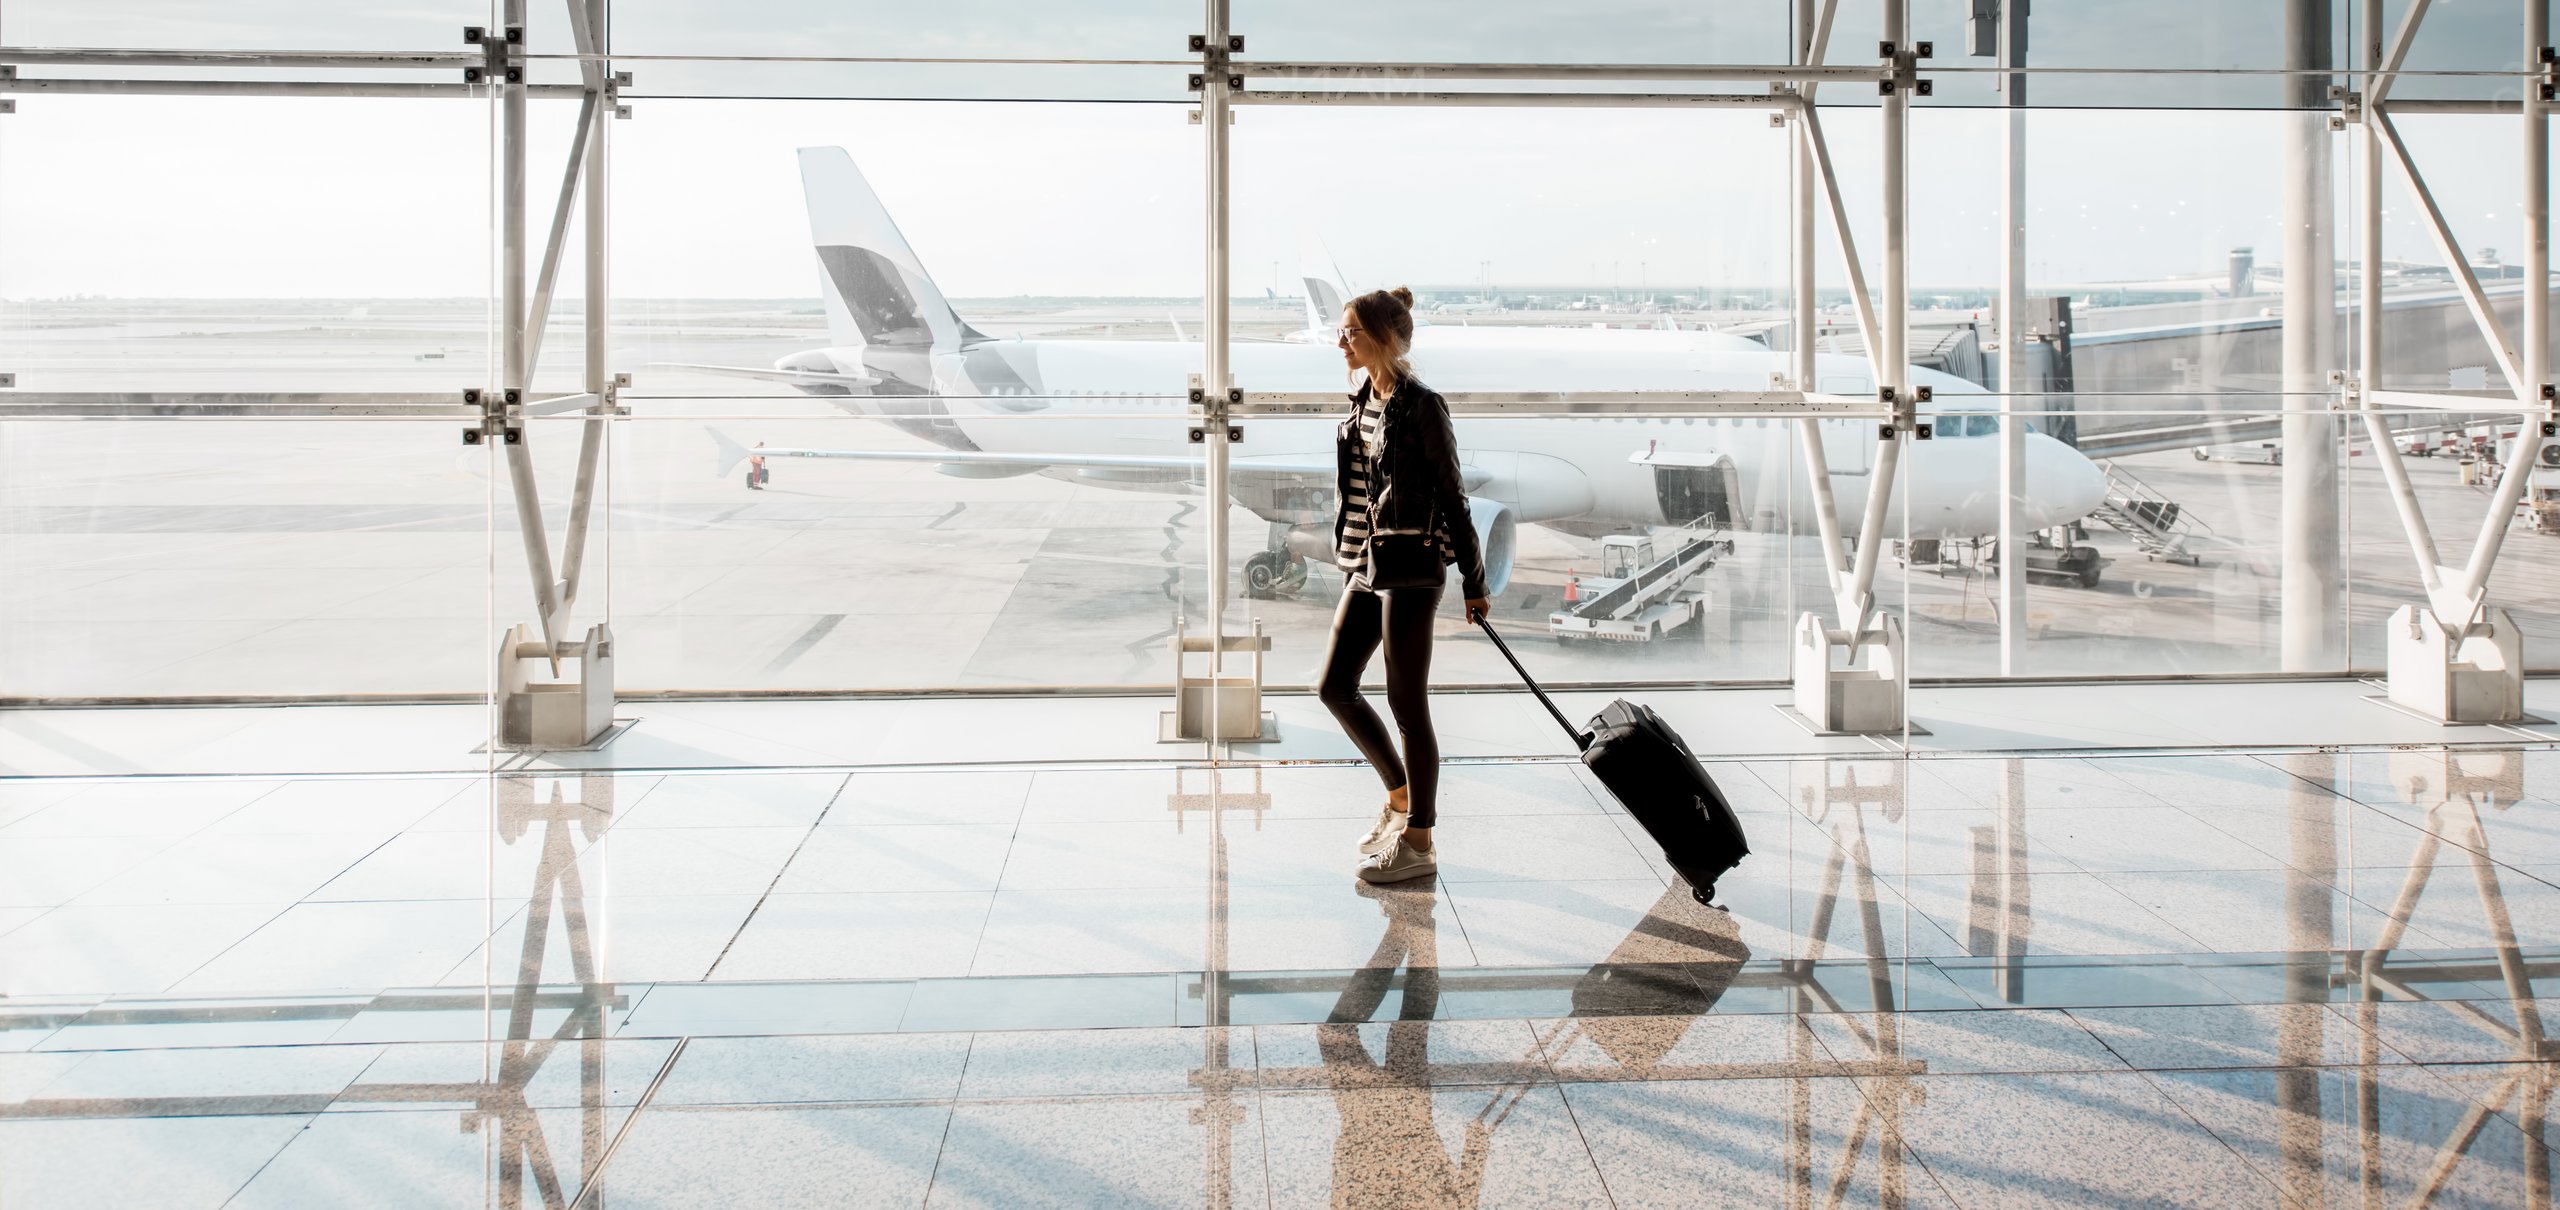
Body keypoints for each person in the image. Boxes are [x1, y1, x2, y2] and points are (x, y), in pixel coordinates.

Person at [1324, 286, 1490, 885]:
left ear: (1384, 340)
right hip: (1369, 564)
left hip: (1414, 567)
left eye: (1350, 332)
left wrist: (1475, 580)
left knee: (1405, 702)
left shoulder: (1422, 405)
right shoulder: (1364, 398)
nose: (1340, 341)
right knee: (1335, 686)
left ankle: (1419, 842)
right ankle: (1399, 799)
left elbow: (1454, 496)